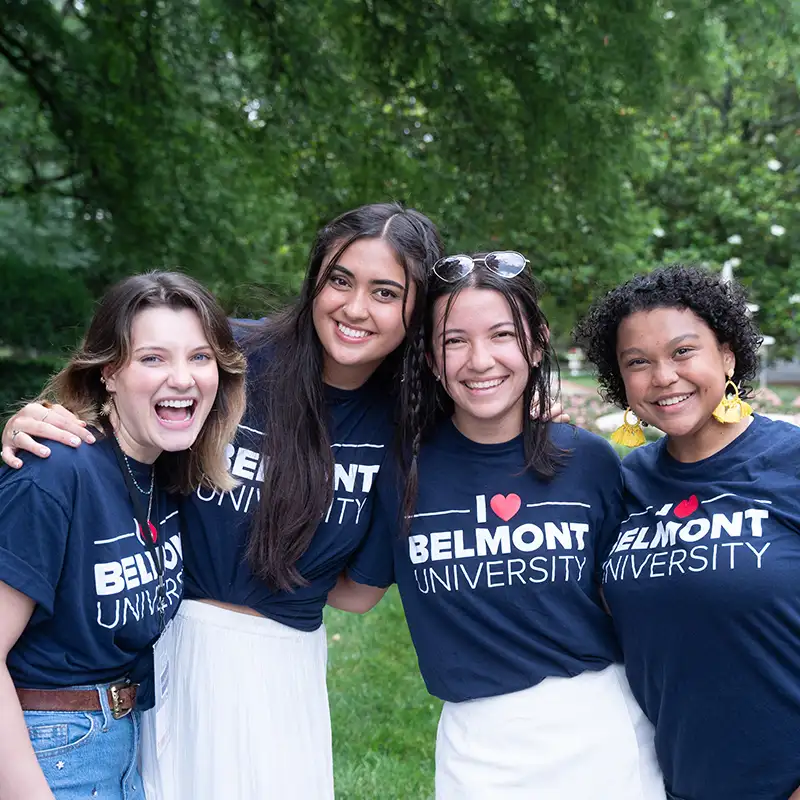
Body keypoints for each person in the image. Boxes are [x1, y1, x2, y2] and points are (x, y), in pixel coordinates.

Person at [1, 202, 444, 799]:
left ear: (416, 311)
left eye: (386, 291)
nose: (355, 307)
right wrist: (34, 421)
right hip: (166, 644)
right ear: (315, 279)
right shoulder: (230, 359)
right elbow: (124, 400)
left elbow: (358, 593)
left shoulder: (411, 417)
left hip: (284, 666)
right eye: (340, 279)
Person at [328, 252, 665, 799]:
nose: (479, 360)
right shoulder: (403, 471)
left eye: (502, 334)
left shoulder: (590, 462)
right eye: (454, 340)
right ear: (433, 361)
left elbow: (632, 600)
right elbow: (357, 594)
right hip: (476, 748)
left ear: (535, 343)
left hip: (601, 734)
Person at [0, 272, 246, 800]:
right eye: (153, 358)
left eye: (200, 357)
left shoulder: (165, 474)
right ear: (109, 372)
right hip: (49, 751)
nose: (182, 378)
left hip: (123, 743)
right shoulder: (53, 470)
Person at [574, 264, 800, 800]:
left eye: (683, 351)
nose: (663, 377)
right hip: (678, 783)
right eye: (638, 362)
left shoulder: (790, 463)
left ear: (727, 354)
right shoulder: (624, 483)